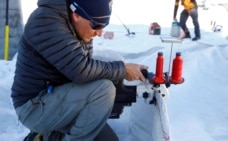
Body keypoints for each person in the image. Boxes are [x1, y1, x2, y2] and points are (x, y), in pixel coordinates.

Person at [11, 0, 148, 140]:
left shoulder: (80, 25)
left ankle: (47, 136)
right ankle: (48, 134)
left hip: (59, 97)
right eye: (97, 25)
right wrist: (123, 70)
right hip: (34, 106)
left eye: (104, 25)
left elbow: (86, 67)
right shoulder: (45, 21)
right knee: (104, 89)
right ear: (76, 14)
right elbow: (81, 70)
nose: (100, 32)